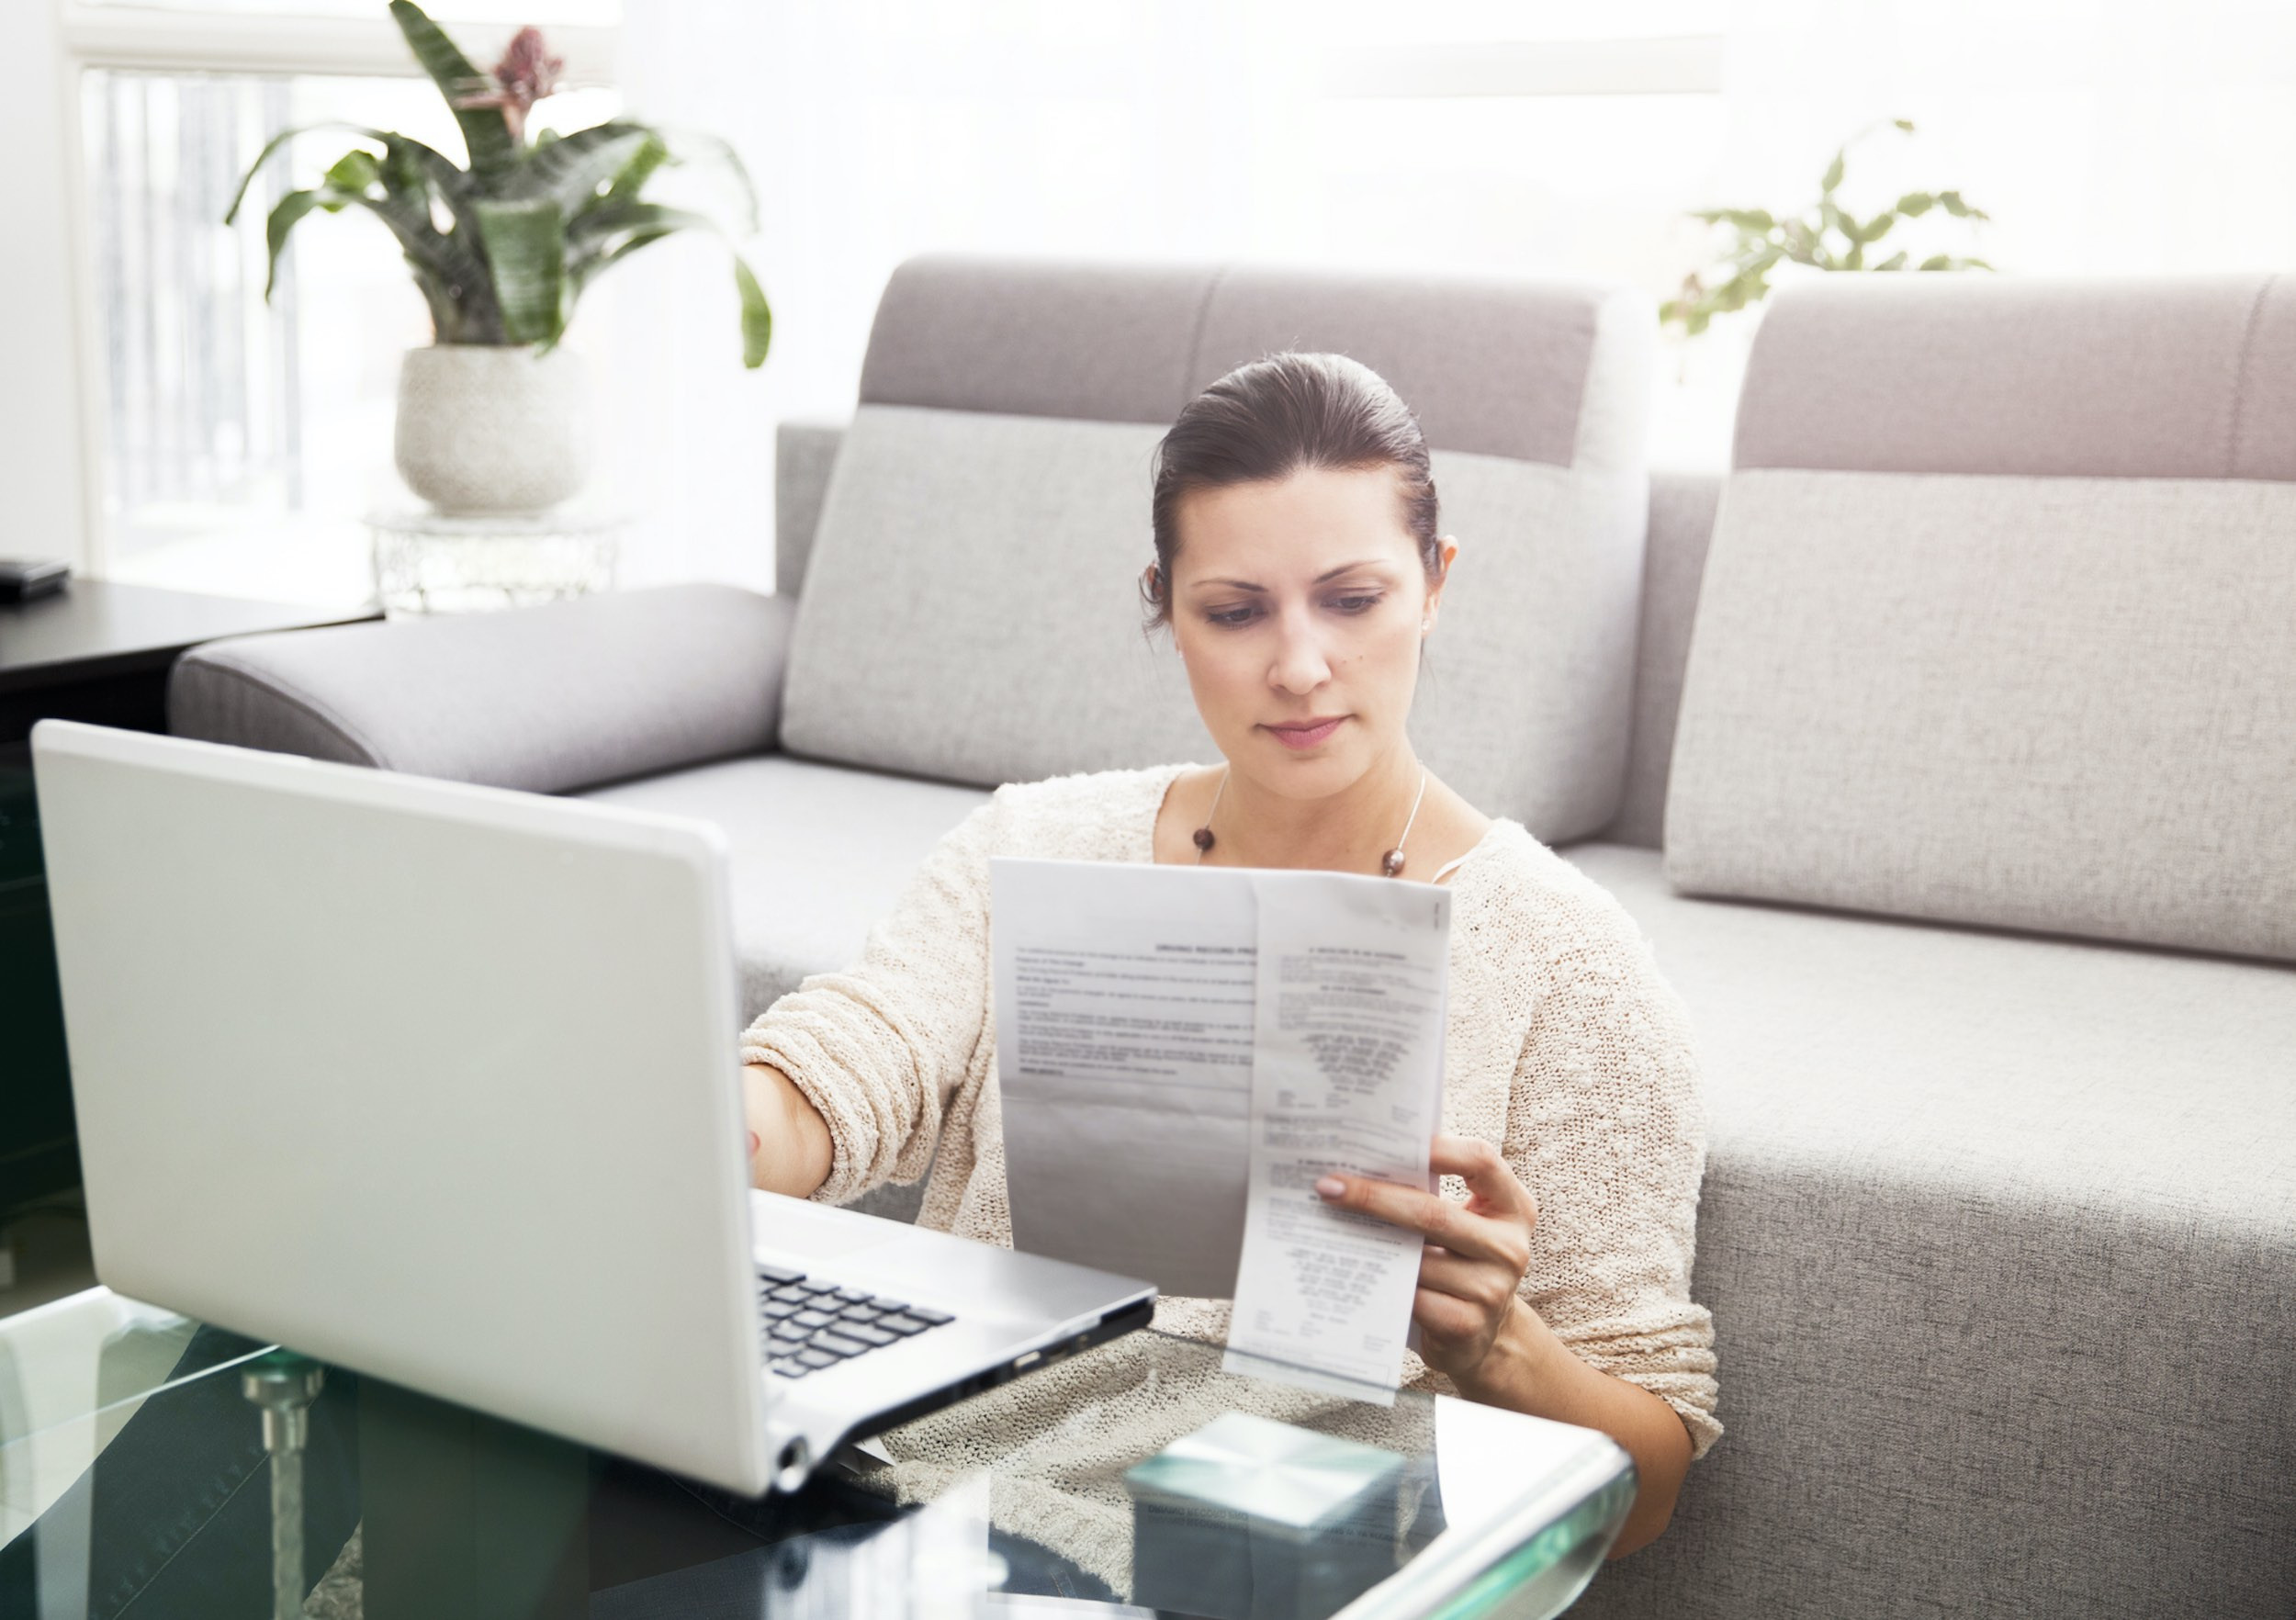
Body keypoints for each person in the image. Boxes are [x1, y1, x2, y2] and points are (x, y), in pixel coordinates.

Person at [738, 351, 1719, 1576]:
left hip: (1248, 1568)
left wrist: (1499, 1346)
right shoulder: (1035, 843)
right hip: (917, 1524)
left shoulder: (1570, 964)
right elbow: (854, 1059)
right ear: (1165, 604)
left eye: (1352, 601)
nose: (1298, 667)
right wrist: (731, 1123)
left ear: (1435, 582)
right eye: (1236, 610)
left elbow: (1652, 1490)